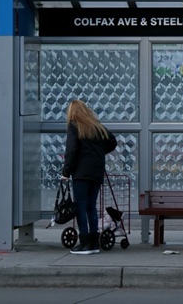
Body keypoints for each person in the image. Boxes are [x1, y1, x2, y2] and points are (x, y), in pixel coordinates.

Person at [61, 99, 117, 255]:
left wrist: (65, 172)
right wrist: (98, 153)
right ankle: (94, 242)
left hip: (81, 173)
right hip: (96, 171)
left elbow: (71, 151)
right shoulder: (97, 126)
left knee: (80, 207)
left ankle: (84, 242)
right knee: (91, 207)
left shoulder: (74, 126)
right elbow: (113, 142)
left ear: (72, 112)